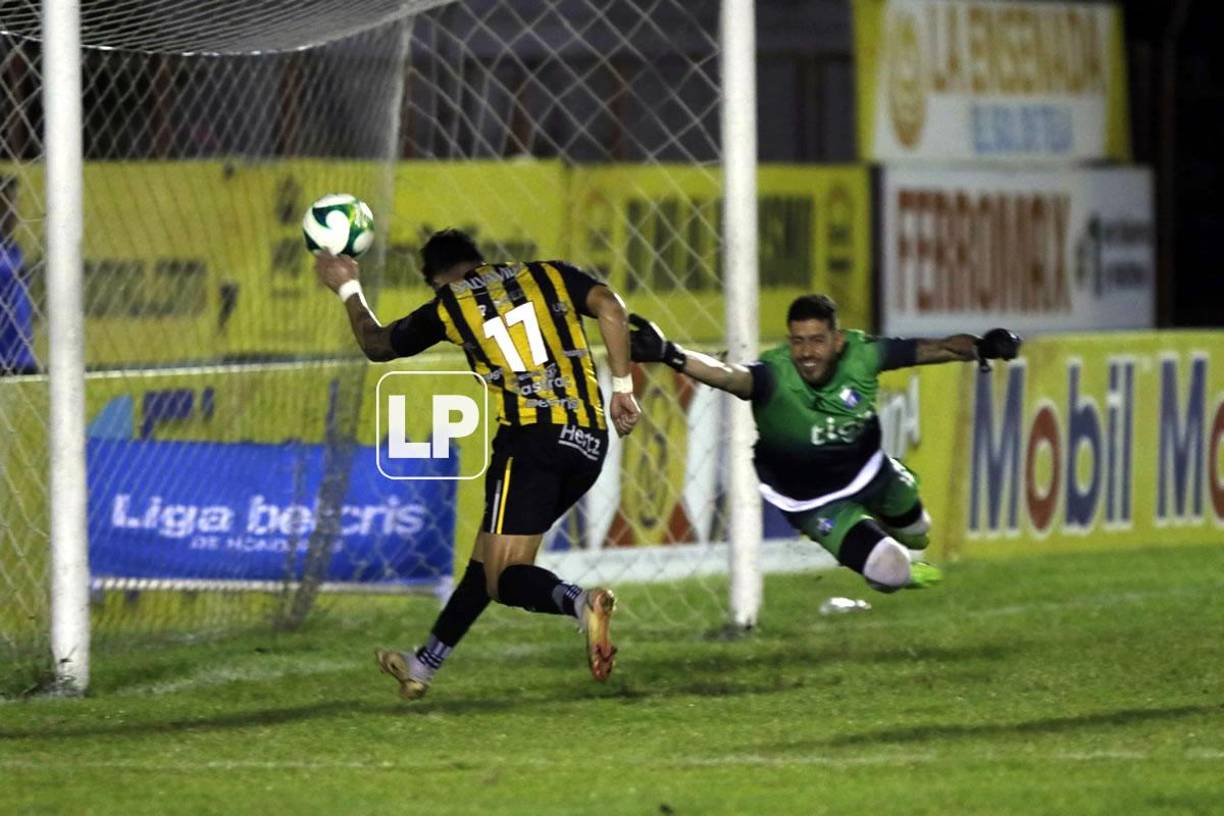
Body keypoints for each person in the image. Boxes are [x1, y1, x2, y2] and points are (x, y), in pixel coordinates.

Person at [315, 229, 641, 700]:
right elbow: (612, 308)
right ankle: (422, 665)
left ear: (434, 279)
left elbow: (377, 343)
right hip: (589, 441)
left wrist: (347, 286)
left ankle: (580, 603)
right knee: (486, 562)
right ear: (478, 258)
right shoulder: (547, 274)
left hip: (531, 440)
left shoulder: (449, 305)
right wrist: (624, 389)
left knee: (505, 578)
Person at [628, 294, 1020, 593]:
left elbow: (939, 348)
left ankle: (889, 507)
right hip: (812, 500)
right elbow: (728, 375)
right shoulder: (774, 374)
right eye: (798, 341)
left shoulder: (863, 354)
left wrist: (983, 347)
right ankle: (884, 558)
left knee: (920, 531)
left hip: (869, 471)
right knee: (893, 572)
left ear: (836, 341)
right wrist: (670, 354)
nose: (807, 353)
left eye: (817, 341)